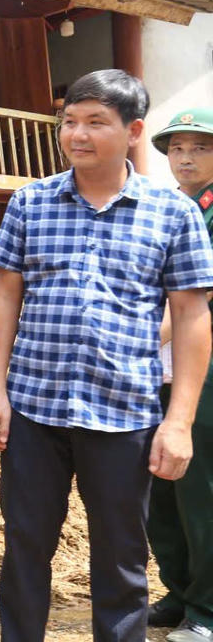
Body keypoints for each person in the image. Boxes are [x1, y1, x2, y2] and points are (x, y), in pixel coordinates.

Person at [0, 69, 213, 642]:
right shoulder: (31, 202)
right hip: (34, 409)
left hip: (124, 414)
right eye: (69, 121)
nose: (77, 134)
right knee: (25, 548)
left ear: (133, 131)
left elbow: (190, 317)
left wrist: (178, 422)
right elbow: (4, 296)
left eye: (95, 122)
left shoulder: (173, 213)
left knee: (122, 560)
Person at [147, 107, 213, 642]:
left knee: (201, 494)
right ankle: (180, 588)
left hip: (202, 374)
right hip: (159, 374)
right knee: (161, 491)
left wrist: (136, 345)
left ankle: (207, 609)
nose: (186, 157)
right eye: (177, 148)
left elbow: (199, 297)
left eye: (201, 147)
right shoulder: (166, 208)